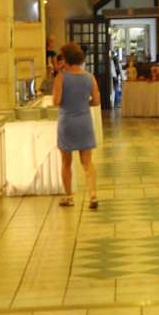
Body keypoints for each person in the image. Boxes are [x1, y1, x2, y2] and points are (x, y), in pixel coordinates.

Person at [52, 42, 100, 209]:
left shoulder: (61, 77)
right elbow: (96, 101)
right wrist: (84, 103)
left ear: (65, 59)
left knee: (66, 163)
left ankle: (69, 197)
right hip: (84, 121)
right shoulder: (89, 77)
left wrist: (58, 74)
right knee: (87, 162)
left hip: (67, 122)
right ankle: (93, 195)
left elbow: (56, 101)